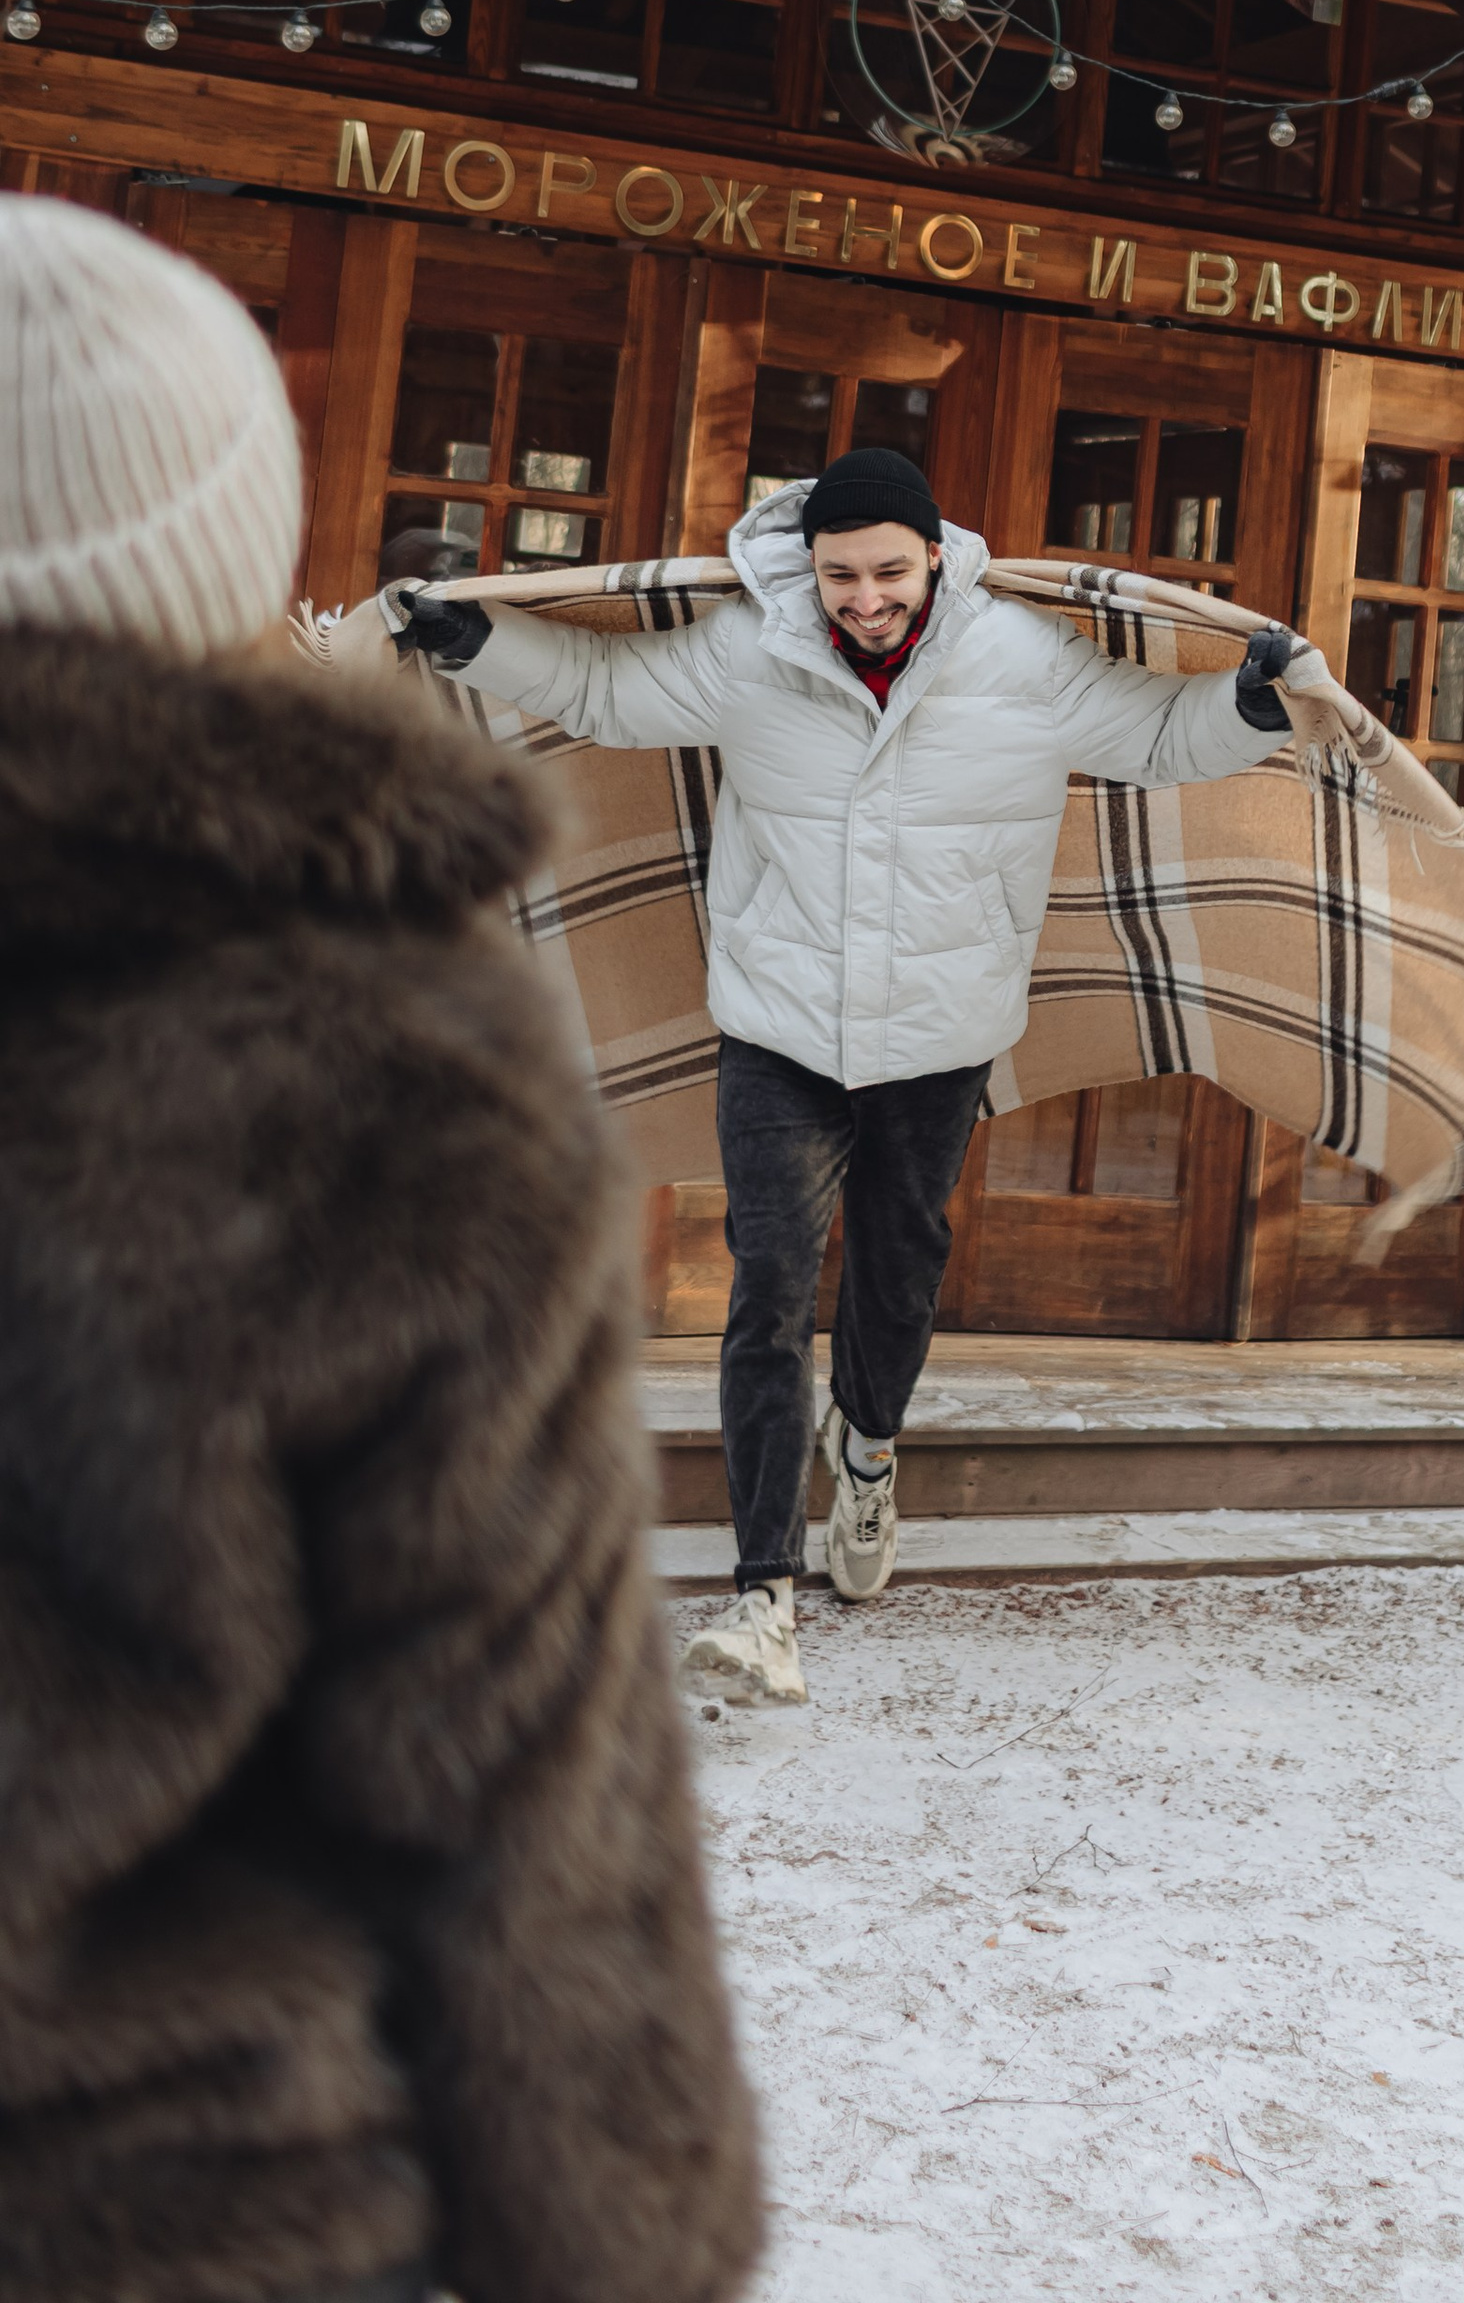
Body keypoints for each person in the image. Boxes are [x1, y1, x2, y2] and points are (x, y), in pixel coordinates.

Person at [0, 199, 760, 2303]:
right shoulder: (391, 1059)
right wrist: (628, 2247)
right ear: (234, 555)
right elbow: (519, 1771)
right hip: (181, 2203)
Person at [397, 448, 1300, 1701]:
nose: (864, 599)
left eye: (887, 571)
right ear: (807, 568)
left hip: (941, 1029)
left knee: (900, 1261)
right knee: (768, 1284)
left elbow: (1153, 732)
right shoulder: (751, 647)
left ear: (935, 555)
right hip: (778, 1021)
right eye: (839, 575)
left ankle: (867, 1451)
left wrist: (1250, 705)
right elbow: (605, 690)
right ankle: (761, 1590)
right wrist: (470, 643)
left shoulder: (1018, 660)